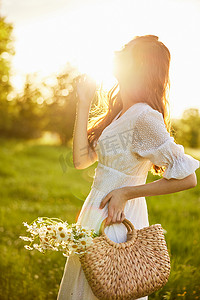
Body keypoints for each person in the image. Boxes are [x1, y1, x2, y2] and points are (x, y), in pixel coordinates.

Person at [57, 35, 200, 300]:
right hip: (96, 209)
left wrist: (125, 193)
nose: (117, 51)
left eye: (126, 50)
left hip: (118, 217)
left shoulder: (145, 116)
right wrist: (84, 102)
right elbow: (80, 160)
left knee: (109, 287)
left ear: (139, 66)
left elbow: (188, 178)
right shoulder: (122, 112)